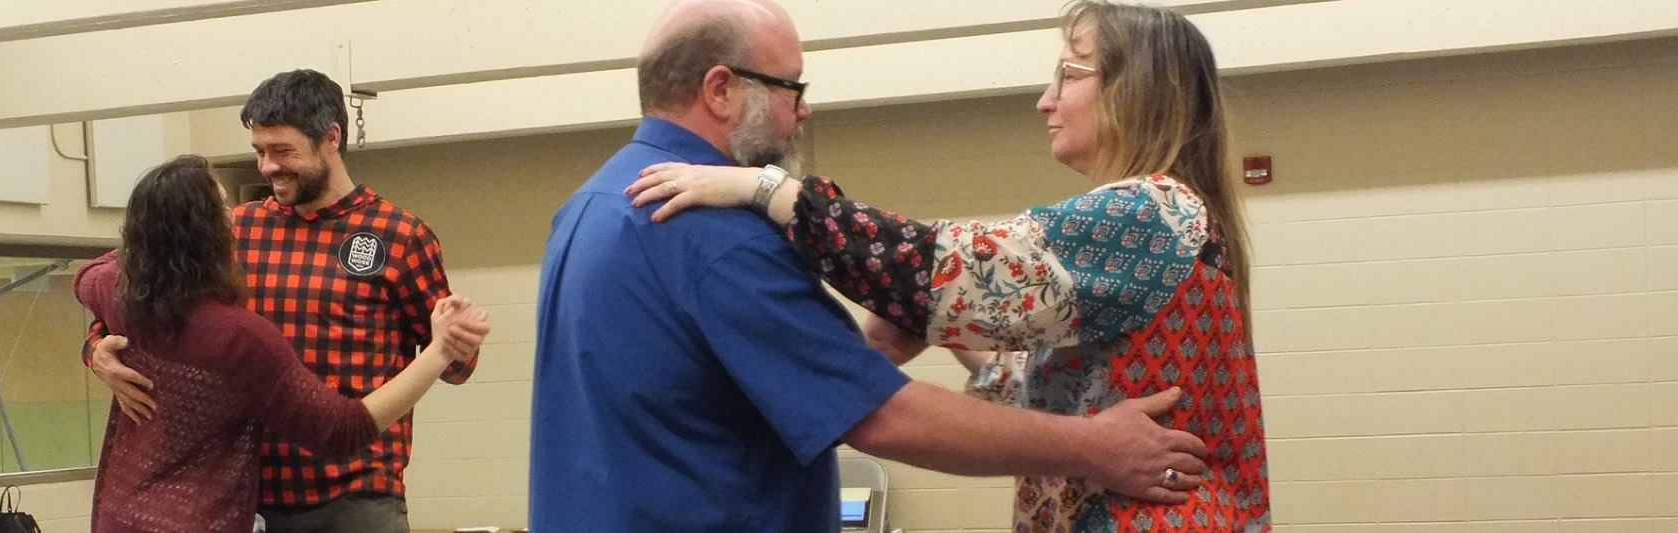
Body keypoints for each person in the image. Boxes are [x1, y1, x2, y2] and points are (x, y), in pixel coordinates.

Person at [530, 1, 1210, 531]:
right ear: (720, 90)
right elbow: (888, 403)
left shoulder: (586, 208)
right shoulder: (710, 225)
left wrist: (891, 339)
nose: (804, 110)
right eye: (792, 87)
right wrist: (1094, 447)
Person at [84, 70, 480, 533]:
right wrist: (96, 350)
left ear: (331, 138)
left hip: (355, 494)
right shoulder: (234, 232)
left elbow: (456, 366)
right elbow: (145, 302)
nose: (268, 166)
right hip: (248, 496)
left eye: (282, 151)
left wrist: (457, 340)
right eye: (259, 151)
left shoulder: (400, 237)